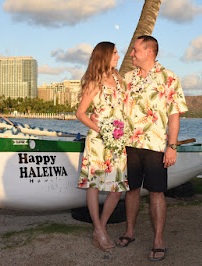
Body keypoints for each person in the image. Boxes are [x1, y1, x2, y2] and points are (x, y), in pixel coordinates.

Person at [92, 35, 188, 260]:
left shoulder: (169, 78)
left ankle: (158, 240)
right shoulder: (126, 77)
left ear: (149, 52)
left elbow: (174, 115)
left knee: (156, 192)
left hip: (155, 146)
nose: (131, 54)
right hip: (128, 144)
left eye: (135, 50)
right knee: (131, 190)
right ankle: (130, 231)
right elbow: (109, 98)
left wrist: (171, 146)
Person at [76, 41, 129, 252]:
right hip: (99, 141)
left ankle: (101, 228)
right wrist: (100, 129)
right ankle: (99, 230)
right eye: (115, 53)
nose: (118, 56)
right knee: (94, 184)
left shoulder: (119, 79)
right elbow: (80, 113)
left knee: (117, 189)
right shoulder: (94, 82)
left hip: (118, 141)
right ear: (105, 56)